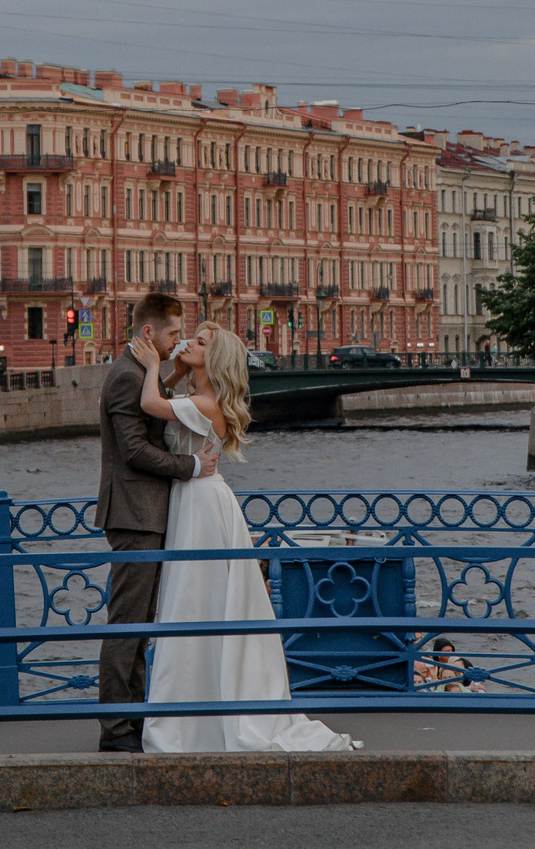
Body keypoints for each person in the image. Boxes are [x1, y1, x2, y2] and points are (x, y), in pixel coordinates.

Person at [127, 322, 354, 754]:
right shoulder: (200, 398)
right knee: (199, 601)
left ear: (216, 359)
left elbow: (151, 403)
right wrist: (174, 368)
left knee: (194, 601)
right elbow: (171, 400)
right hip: (195, 500)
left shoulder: (207, 403)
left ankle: (188, 723)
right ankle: (196, 712)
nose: (188, 343)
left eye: (200, 342)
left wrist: (155, 363)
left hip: (201, 505)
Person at [95, 292, 216, 753]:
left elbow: (156, 406)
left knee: (140, 622)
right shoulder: (126, 377)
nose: (177, 340)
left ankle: (133, 717)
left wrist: (173, 371)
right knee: (126, 623)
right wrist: (189, 467)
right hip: (134, 514)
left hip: (144, 513)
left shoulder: (137, 372)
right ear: (149, 332)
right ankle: (115, 728)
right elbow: (133, 450)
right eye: (171, 333)